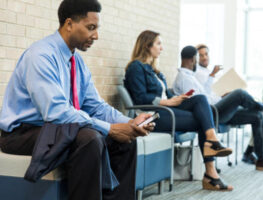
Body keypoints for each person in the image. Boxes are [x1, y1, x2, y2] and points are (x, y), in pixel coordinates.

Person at [0, 1, 155, 200]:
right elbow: (56, 112)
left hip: (56, 129)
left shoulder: (77, 62)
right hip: (22, 133)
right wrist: (110, 128)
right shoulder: (41, 55)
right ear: (69, 24)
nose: (96, 36)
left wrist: (129, 123)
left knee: (124, 142)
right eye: (91, 28)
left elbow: (95, 106)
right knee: (89, 138)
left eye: (96, 28)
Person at [124, 30, 234, 191]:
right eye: (158, 44)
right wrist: (167, 101)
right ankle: (211, 173)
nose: (162, 48)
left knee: (201, 99)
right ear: (147, 46)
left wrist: (178, 98)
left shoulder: (155, 71)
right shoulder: (136, 67)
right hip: (151, 116)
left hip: (164, 110)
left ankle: (211, 143)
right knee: (203, 121)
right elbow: (140, 98)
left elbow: (164, 94)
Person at [173, 45, 263, 171]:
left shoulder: (190, 77)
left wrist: (223, 98)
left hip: (217, 109)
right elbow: (199, 103)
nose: (203, 58)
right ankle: (262, 106)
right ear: (193, 59)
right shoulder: (185, 78)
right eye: (199, 56)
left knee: (257, 116)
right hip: (211, 113)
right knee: (239, 93)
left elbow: (205, 94)